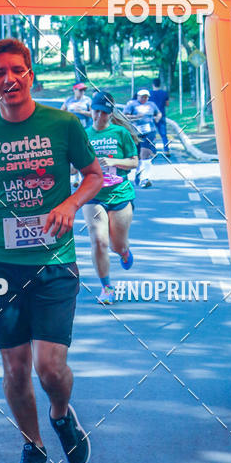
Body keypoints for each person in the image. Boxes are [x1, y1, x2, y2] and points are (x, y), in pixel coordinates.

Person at [0, 39, 103, 463]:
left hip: (54, 259)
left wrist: (71, 203)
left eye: (17, 70)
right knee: (15, 369)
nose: (9, 79)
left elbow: (95, 174)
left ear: (30, 74)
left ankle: (60, 414)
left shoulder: (63, 124)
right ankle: (32, 450)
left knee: (50, 368)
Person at [83, 92, 138, 305]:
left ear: (110, 113)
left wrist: (113, 161)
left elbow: (134, 163)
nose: (99, 116)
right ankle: (107, 288)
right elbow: (72, 164)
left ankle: (124, 252)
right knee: (99, 240)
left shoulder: (121, 133)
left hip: (120, 194)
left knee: (117, 245)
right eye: (96, 111)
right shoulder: (83, 135)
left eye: (104, 113)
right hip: (93, 196)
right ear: (91, 110)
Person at [123, 88, 162, 187]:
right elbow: (124, 116)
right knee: (138, 156)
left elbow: (158, 113)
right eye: (142, 96)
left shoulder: (152, 105)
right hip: (136, 132)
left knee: (146, 154)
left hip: (149, 131)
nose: (144, 98)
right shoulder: (132, 104)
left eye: (146, 97)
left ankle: (145, 178)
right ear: (138, 96)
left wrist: (158, 117)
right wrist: (136, 117)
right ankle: (138, 173)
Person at [149, 77, 170, 156]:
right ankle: (166, 150)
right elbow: (167, 104)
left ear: (153, 84)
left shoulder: (149, 93)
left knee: (152, 134)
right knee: (164, 134)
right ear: (160, 84)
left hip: (151, 117)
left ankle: (153, 151)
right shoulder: (164, 93)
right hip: (162, 115)